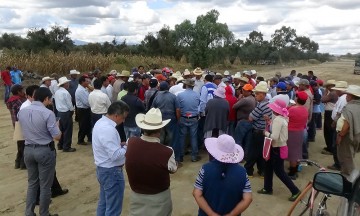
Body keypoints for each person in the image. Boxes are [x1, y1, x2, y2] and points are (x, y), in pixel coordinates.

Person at [18, 87, 61, 216]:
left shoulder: (22, 111)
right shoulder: (48, 113)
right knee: (45, 185)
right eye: (49, 99)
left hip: (28, 149)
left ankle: (29, 212)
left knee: (32, 183)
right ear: (46, 98)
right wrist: (58, 128)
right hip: (44, 150)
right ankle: (44, 213)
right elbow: (57, 136)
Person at [125, 108, 177, 216]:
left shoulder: (131, 142)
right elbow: (173, 169)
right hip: (159, 199)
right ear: (160, 129)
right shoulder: (167, 152)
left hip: (137, 196)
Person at [193, 134, 252, 216]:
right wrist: (231, 214)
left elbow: (196, 193)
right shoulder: (242, 172)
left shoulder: (205, 169)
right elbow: (248, 198)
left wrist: (211, 214)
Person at [258, 99, 301, 201]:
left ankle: (295, 190)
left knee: (279, 171)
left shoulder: (278, 120)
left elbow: (274, 136)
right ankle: (267, 187)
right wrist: (269, 122)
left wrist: (265, 133)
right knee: (268, 167)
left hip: (277, 148)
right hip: (278, 147)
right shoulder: (282, 118)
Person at [92, 101, 129, 216]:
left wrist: (120, 145)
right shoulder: (108, 129)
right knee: (113, 208)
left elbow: (108, 147)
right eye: (123, 118)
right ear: (116, 115)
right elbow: (115, 155)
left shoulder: (100, 123)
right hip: (111, 171)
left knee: (104, 203)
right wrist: (128, 146)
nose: (123, 121)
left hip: (103, 169)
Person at [244, 81, 272, 178]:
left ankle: (249, 171)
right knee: (262, 153)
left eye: (257, 93)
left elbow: (251, 118)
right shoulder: (269, 103)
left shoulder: (261, 105)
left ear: (263, 94)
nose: (255, 95)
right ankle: (262, 171)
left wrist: (251, 115)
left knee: (252, 152)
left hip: (258, 131)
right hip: (265, 132)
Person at [336, 85, 360, 176]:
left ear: (351, 96)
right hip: (356, 134)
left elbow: (347, 124)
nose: (346, 96)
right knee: (350, 154)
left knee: (346, 157)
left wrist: (340, 136)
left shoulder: (349, 107)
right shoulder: (358, 106)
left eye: (347, 95)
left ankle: (349, 178)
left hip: (347, 136)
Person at [177, 79, 201, 162]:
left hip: (183, 117)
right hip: (193, 117)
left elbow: (178, 108)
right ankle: (194, 156)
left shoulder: (180, 95)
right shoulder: (197, 95)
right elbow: (199, 106)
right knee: (193, 137)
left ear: (186, 85)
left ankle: (180, 156)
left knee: (182, 137)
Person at [287, 91, 309, 180]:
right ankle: (294, 169)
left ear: (297, 99)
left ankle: (293, 172)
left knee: (292, 153)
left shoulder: (292, 109)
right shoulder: (305, 110)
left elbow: (285, 114)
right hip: (300, 132)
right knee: (297, 151)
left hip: (291, 132)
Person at [328, 81, 348, 171]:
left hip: (338, 124)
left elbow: (339, 112)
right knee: (336, 145)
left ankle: (338, 164)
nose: (335, 92)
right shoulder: (342, 97)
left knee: (336, 145)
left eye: (337, 90)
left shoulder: (343, 99)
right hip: (338, 123)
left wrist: (334, 122)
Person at [233, 84, 256, 159]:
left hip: (243, 122)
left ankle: (238, 157)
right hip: (250, 122)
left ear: (248, 91)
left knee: (238, 140)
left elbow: (234, 106)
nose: (242, 91)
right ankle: (245, 156)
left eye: (243, 90)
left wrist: (239, 98)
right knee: (247, 141)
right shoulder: (253, 98)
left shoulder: (245, 100)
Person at [6, 84, 26, 169]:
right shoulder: (19, 101)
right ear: (18, 92)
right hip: (22, 123)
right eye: (22, 90)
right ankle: (23, 163)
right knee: (24, 144)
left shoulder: (11, 100)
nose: (24, 92)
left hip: (16, 124)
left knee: (20, 144)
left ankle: (17, 162)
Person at [54, 76, 75, 152]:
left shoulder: (57, 92)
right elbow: (69, 104)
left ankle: (60, 144)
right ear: (65, 84)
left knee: (61, 129)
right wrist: (72, 111)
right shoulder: (66, 93)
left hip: (59, 112)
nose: (68, 84)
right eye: (67, 83)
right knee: (67, 130)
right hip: (66, 112)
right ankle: (66, 146)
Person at [321, 80, 338, 155]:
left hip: (330, 113)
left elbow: (323, 100)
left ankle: (330, 148)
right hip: (331, 112)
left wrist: (325, 93)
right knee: (330, 131)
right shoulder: (334, 93)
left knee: (328, 131)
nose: (327, 88)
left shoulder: (332, 93)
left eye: (328, 86)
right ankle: (330, 147)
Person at [75, 76, 92, 145]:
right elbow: (86, 102)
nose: (88, 83)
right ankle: (80, 140)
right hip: (83, 109)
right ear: (82, 82)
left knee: (87, 124)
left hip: (85, 109)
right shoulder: (80, 90)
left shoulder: (84, 89)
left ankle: (89, 137)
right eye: (86, 81)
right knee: (83, 125)